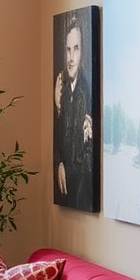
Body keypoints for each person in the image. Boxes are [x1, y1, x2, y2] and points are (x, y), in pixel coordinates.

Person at [54, 14, 93, 209]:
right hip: (66, 195)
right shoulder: (62, 89)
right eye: (68, 50)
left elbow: (87, 157)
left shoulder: (86, 92)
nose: (71, 58)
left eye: (75, 49)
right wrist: (59, 162)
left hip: (80, 194)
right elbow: (59, 135)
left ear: (83, 52)